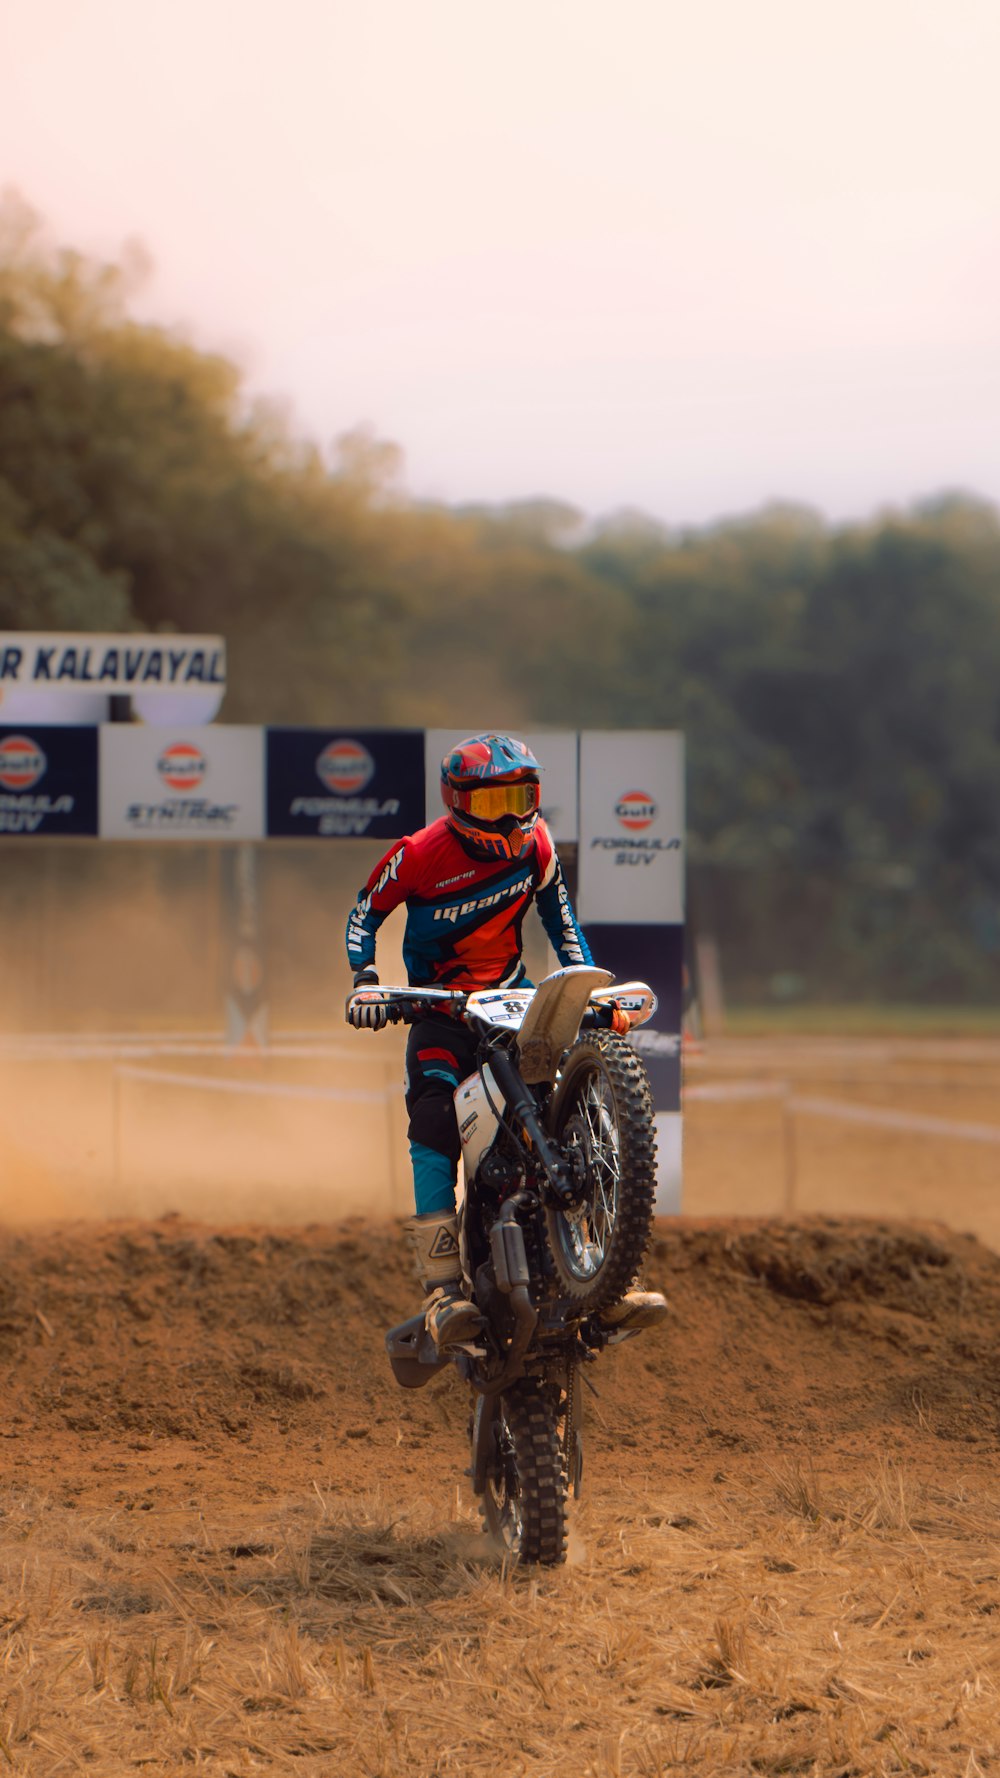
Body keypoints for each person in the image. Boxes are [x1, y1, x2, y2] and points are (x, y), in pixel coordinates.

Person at [345, 732, 666, 1348]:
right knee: (433, 1121)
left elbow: (563, 926)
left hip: (513, 1005)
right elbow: (365, 914)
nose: (514, 815)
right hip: (439, 1011)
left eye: (523, 796)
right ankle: (441, 1292)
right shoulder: (417, 853)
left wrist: (584, 988)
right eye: (495, 803)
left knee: (568, 1102)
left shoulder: (537, 845)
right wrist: (368, 980)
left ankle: (608, 1272)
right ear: (457, 801)